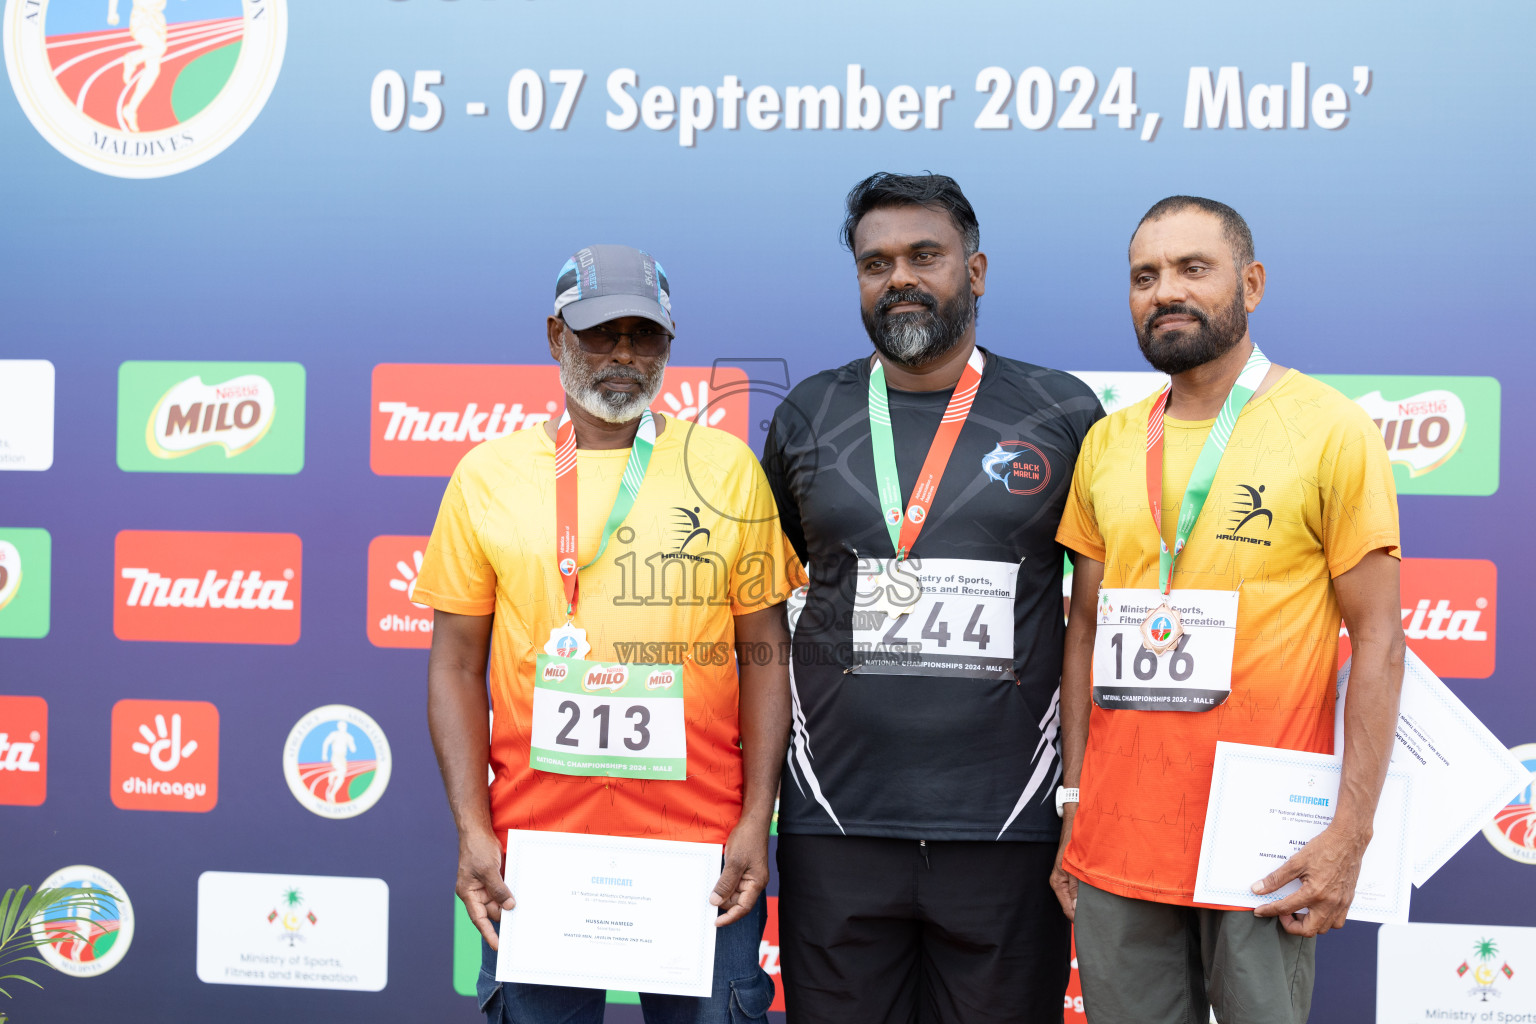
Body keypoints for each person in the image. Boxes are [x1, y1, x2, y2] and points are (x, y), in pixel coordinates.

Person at [415, 244, 793, 1024]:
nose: (623, 355)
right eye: (600, 333)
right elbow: (455, 665)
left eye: (644, 335)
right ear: (555, 337)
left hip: (702, 853)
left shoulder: (725, 470)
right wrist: (472, 830)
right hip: (536, 853)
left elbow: (765, 656)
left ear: (668, 346)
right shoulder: (488, 477)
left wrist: (757, 818)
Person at [1050, 196, 1405, 1024]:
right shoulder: (1108, 442)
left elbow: (1381, 640)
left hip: (1262, 843)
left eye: (1192, 269)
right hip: (1121, 839)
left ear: (1250, 283)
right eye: (1145, 276)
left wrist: (1349, 833)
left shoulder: (1330, 430)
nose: (1165, 291)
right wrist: (1075, 802)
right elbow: (1086, 633)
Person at [761, 173, 1102, 1023]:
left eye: (925, 256)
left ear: (976, 271)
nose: (899, 278)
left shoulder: (1063, 412)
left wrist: (1081, 804)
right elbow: (778, 592)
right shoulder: (808, 414)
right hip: (835, 820)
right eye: (875, 263)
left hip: (1008, 825)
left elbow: (1099, 616)